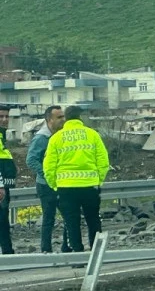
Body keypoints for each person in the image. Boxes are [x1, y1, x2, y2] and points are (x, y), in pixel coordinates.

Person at [43, 105, 110, 253]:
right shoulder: (92, 134)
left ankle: (77, 254)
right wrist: (98, 180)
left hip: (66, 188)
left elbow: (48, 166)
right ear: (80, 117)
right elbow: (103, 161)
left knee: (71, 223)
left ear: (66, 118)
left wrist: (54, 185)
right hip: (90, 186)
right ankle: (96, 253)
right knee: (93, 220)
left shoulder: (56, 138)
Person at [26, 105, 69, 253]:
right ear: (49, 120)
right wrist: (47, 173)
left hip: (62, 183)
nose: (63, 119)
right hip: (45, 185)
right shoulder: (41, 138)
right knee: (49, 218)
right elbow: (31, 160)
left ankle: (67, 247)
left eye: (63, 116)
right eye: (59, 117)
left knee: (69, 215)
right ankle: (46, 250)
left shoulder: (62, 136)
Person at [0, 106, 16, 253]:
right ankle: (7, 252)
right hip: (1, 187)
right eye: (1, 117)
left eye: (6, 116)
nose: (5, 120)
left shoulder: (2, 136)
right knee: (2, 220)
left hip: (5, 185)